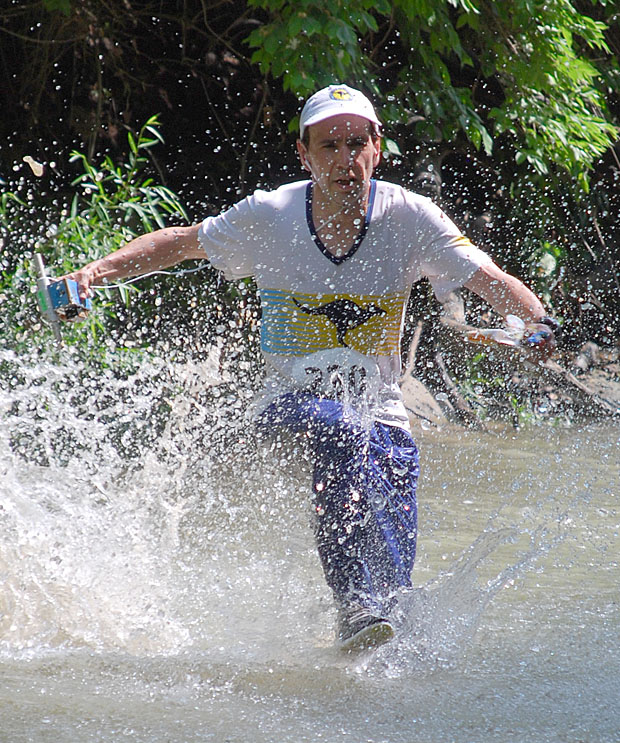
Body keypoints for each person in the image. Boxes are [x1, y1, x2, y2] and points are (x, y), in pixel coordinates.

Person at [66, 84, 557, 652]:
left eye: (356, 144)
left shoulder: (410, 217)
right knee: (340, 429)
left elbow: (490, 280)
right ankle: (354, 605)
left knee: (394, 488)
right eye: (329, 146)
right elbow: (178, 244)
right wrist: (91, 276)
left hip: (381, 405)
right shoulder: (269, 214)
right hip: (286, 399)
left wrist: (536, 323)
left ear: (378, 148)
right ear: (304, 154)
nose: (344, 160)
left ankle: (384, 625)